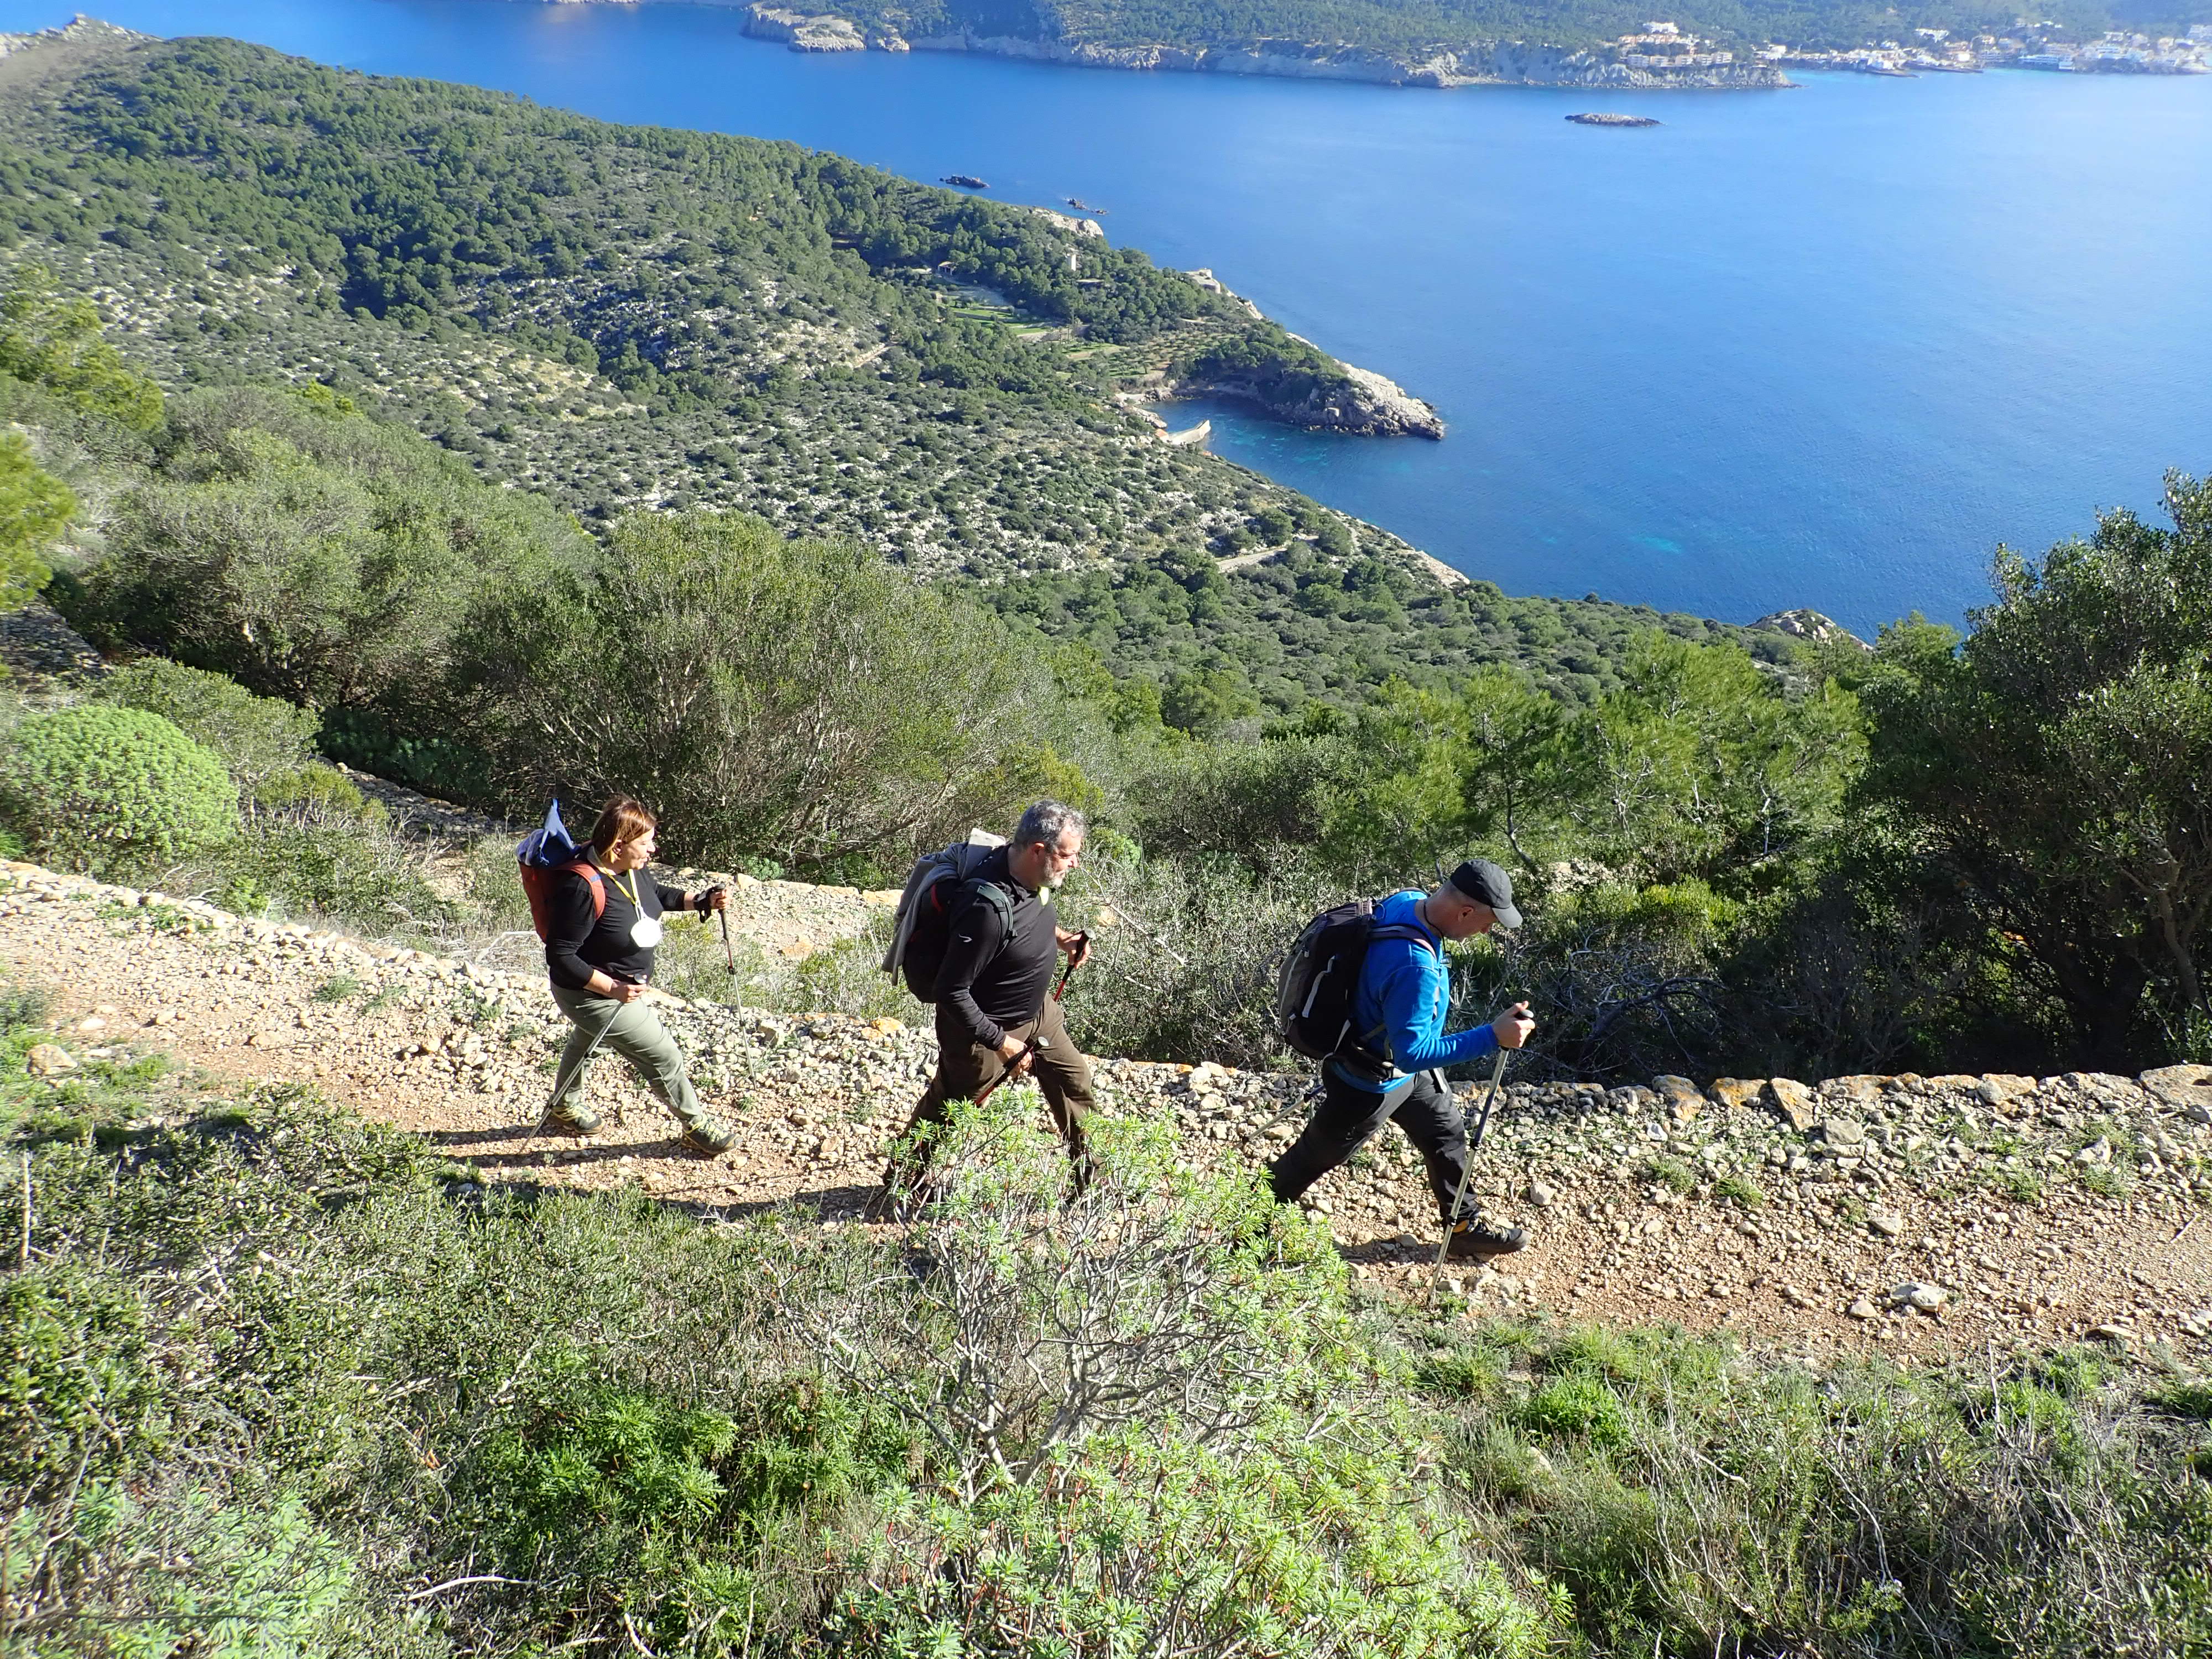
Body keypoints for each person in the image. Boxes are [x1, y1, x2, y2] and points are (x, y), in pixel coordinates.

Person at [1269, 858, 1537, 1260]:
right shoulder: (1415, 967)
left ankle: (1463, 1226)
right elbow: (1414, 1054)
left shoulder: (1408, 901)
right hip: (1369, 1083)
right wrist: (1493, 1036)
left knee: (1446, 1133)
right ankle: (1244, 1225)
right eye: (1487, 923)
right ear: (1465, 911)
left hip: (1398, 1071)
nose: (1486, 930)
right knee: (1313, 1158)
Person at [888, 800, 1095, 1187]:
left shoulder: (1031, 877)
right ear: (1039, 851)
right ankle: (902, 1179)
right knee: (952, 1104)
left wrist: (1062, 940)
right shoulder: (983, 907)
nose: (1074, 864)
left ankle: (1092, 1183)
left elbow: (1022, 919)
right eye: (1069, 855)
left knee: (1074, 1081)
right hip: (982, 1031)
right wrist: (1002, 1044)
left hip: (1037, 1013)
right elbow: (952, 992)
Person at [541, 796, 736, 1156]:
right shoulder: (581, 888)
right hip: (590, 994)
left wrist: (701, 901)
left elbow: (655, 896)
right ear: (618, 846)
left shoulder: (631, 868)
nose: (653, 849)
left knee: (587, 1042)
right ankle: (695, 1125)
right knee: (663, 1055)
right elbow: (560, 956)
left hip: (614, 989)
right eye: (645, 843)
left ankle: (564, 1107)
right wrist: (613, 988)